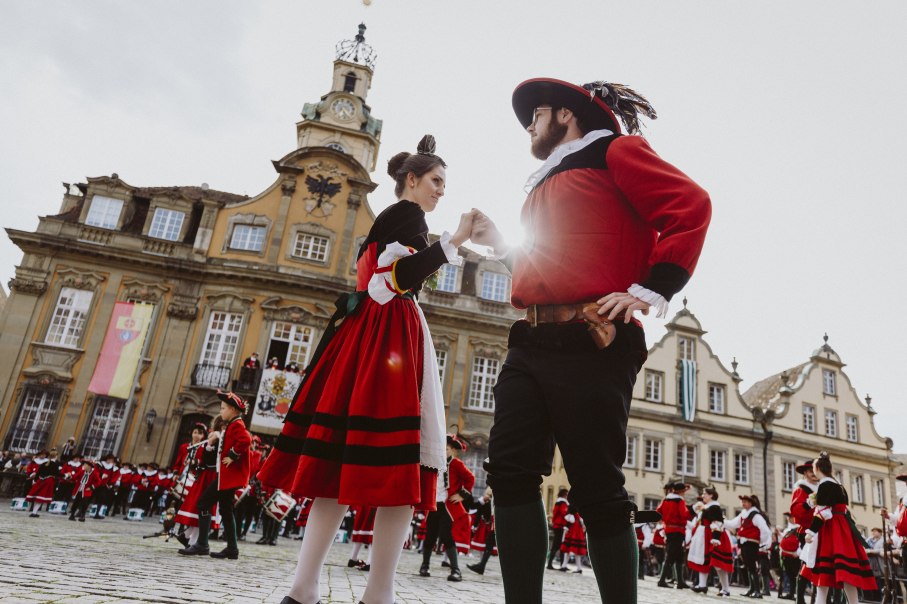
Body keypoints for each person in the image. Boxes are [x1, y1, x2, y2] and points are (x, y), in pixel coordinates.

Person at [472, 77, 711, 604]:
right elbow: (551, 268)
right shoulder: (543, 181)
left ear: (565, 114)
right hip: (530, 338)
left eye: (535, 113)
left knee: (596, 489)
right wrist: (503, 247)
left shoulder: (614, 150)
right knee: (509, 472)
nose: (528, 124)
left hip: (593, 339)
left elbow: (690, 204)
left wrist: (650, 289)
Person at [257, 135, 473, 604]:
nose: (441, 191)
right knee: (402, 471)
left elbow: (380, 281)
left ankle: (304, 589)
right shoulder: (409, 217)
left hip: (362, 335)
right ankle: (378, 595)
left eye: (444, 184)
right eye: (436, 181)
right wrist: (455, 239)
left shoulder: (387, 220)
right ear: (411, 181)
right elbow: (392, 282)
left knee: (337, 467)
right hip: (388, 335)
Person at [178, 391, 252, 559]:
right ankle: (232, 549)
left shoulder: (236, 424)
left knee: (203, 503)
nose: (221, 411)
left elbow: (246, 440)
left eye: (223, 408)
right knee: (226, 510)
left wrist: (232, 455)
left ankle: (202, 544)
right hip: (228, 477)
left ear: (233, 409)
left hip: (228, 477)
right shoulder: (233, 424)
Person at [799, 452, 876, 604]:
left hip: (831, 529)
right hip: (843, 529)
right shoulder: (838, 485)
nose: (813, 471)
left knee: (823, 574)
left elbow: (823, 512)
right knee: (846, 573)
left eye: (814, 467)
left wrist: (811, 532)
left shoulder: (825, 485)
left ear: (818, 468)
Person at [419, 435, 475, 582]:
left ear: (453, 451)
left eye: (447, 449)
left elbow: (470, 478)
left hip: (447, 506)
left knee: (446, 534)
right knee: (430, 535)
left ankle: (456, 569)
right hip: (433, 504)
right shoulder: (432, 462)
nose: (444, 451)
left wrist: (461, 495)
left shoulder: (456, 464)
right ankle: (425, 565)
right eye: (442, 448)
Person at [687, 486, 732, 596]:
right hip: (704, 534)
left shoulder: (715, 507)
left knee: (718, 564)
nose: (703, 496)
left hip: (712, 535)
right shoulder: (706, 506)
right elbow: (691, 515)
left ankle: (726, 589)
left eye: (705, 494)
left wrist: (715, 537)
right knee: (703, 560)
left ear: (711, 495)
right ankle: (702, 585)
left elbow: (718, 522)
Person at [725, 494, 772, 598]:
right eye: (742, 502)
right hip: (744, 544)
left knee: (752, 567)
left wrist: (761, 542)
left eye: (745, 501)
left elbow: (765, 531)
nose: (743, 503)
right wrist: (722, 521)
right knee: (749, 567)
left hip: (751, 543)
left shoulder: (756, 515)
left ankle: (757, 591)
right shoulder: (743, 515)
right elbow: (733, 524)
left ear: (751, 503)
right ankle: (752, 589)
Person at [790, 460, 820, 604]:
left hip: (822, 530)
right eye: (810, 471)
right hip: (808, 532)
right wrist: (808, 504)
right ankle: (800, 597)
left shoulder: (823, 488)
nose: (813, 474)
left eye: (815, 470)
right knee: (807, 563)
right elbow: (796, 511)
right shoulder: (801, 489)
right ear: (805, 474)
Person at [656, 481, 693, 589]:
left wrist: (666, 521)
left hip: (668, 529)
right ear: (681, 491)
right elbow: (684, 514)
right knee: (671, 556)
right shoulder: (679, 500)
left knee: (678, 556)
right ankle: (662, 580)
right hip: (678, 531)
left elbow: (658, 511)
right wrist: (692, 509)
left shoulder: (666, 499)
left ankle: (680, 581)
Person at [25, 449, 60, 517]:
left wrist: (35, 480)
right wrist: (66, 475)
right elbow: (57, 474)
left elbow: (38, 473)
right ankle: (34, 512)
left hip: (40, 481)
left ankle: (34, 511)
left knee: (38, 497)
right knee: (41, 497)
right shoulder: (55, 464)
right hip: (48, 481)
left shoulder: (44, 463)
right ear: (56, 456)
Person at [547, 488, 570, 570]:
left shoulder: (558, 502)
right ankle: (556, 564)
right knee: (558, 545)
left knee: (559, 545)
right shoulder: (562, 503)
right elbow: (564, 513)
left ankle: (561, 564)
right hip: (560, 526)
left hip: (557, 525)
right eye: (567, 495)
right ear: (564, 495)